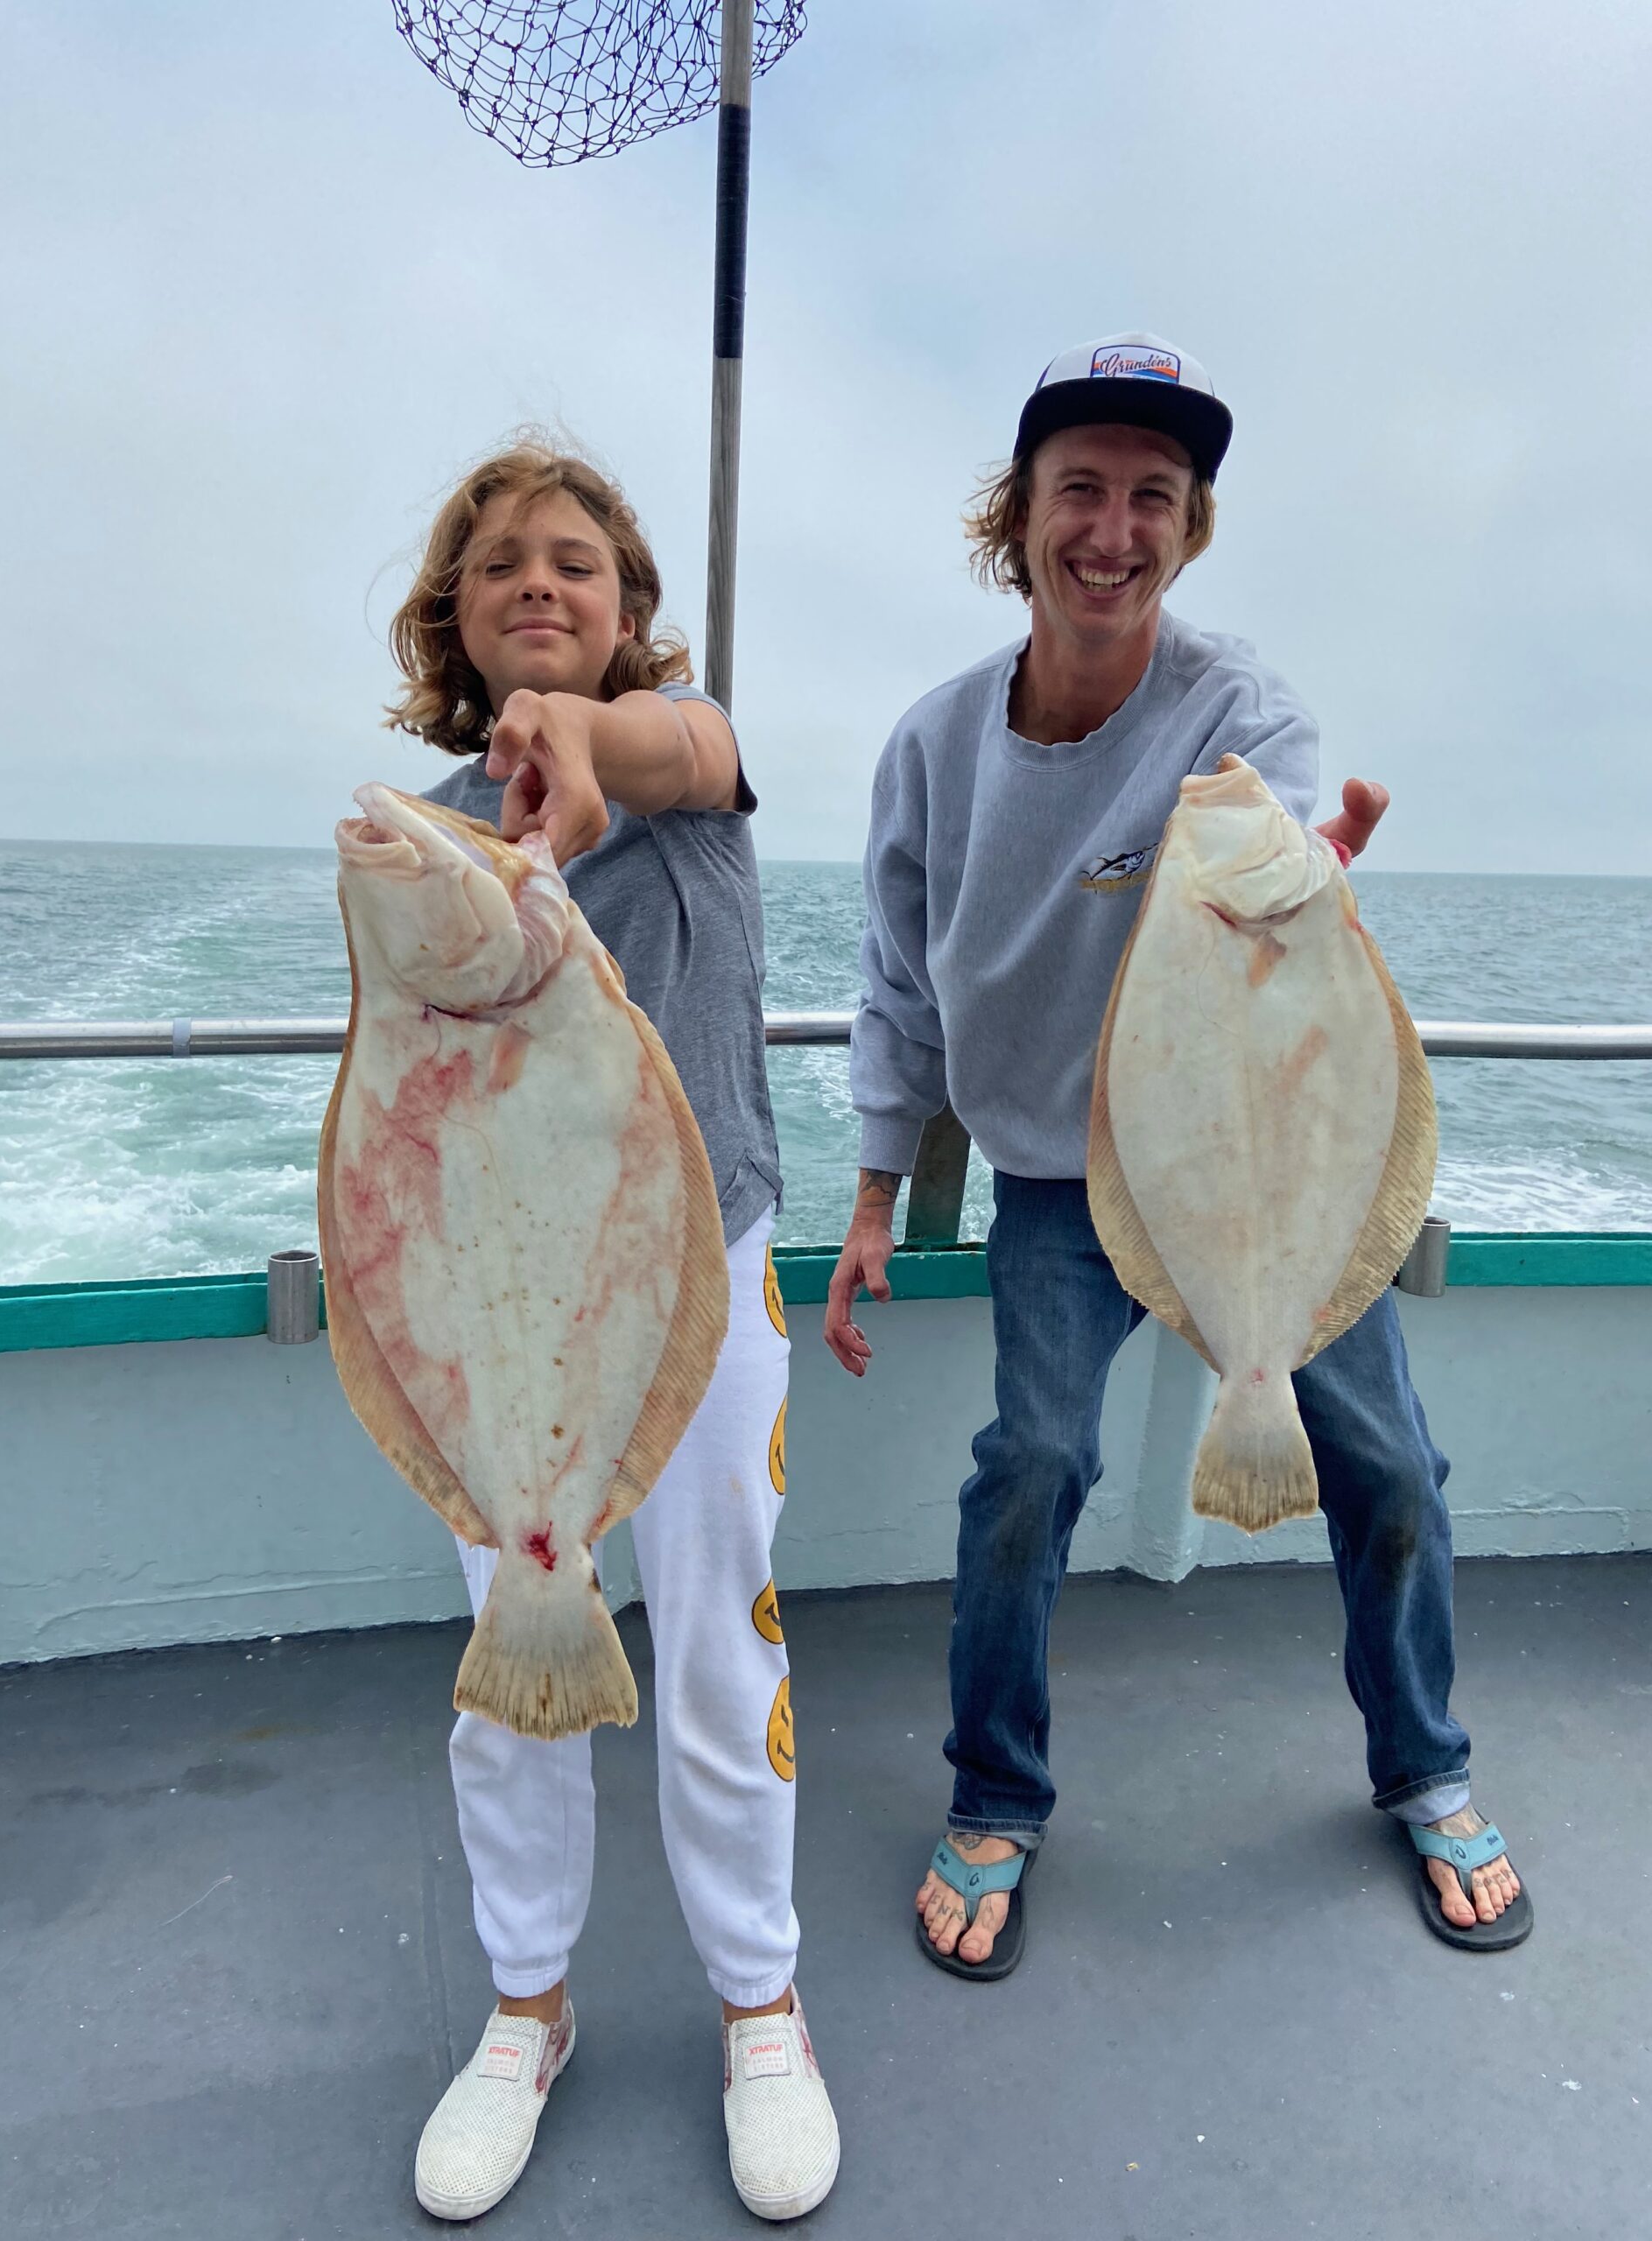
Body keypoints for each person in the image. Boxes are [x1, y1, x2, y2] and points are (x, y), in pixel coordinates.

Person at [824, 334, 1532, 1979]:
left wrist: (1310, 867)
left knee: (1396, 1470)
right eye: (1082, 490)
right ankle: (996, 1795)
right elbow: (892, 977)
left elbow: (1276, 856)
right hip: (1060, 1187)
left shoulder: (1242, 705)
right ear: (1021, 516)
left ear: (1191, 527)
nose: (1115, 531)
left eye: (1156, 497)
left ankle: (1425, 1765)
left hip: (1269, 1168)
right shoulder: (932, 748)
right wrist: (873, 1185)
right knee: (1031, 1474)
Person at [385, 437, 838, 2220]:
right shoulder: (426, 834)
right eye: (502, 566)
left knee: (725, 1652)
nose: (540, 583)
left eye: (576, 559)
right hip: (496, 1323)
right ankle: (526, 2005)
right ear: (463, 619)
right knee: (516, 1664)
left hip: (707, 1288)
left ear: (630, 609)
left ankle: (762, 2000)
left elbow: (678, 749)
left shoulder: (690, 755)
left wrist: (587, 757)